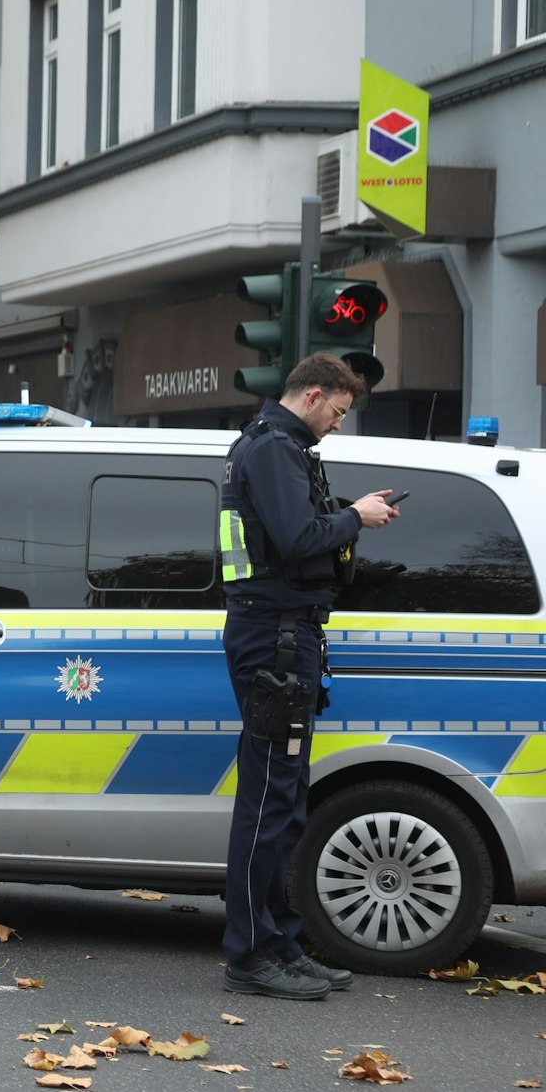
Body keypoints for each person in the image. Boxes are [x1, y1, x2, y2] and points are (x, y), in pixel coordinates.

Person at [217, 352, 399, 1000]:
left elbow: (288, 532)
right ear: (313, 395)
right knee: (268, 805)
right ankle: (250, 955)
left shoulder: (281, 446)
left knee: (286, 803)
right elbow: (296, 540)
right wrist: (355, 518)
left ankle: (280, 944)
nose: (339, 424)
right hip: (274, 636)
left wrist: (348, 513)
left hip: (285, 636)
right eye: (339, 412)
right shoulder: (273, 448)